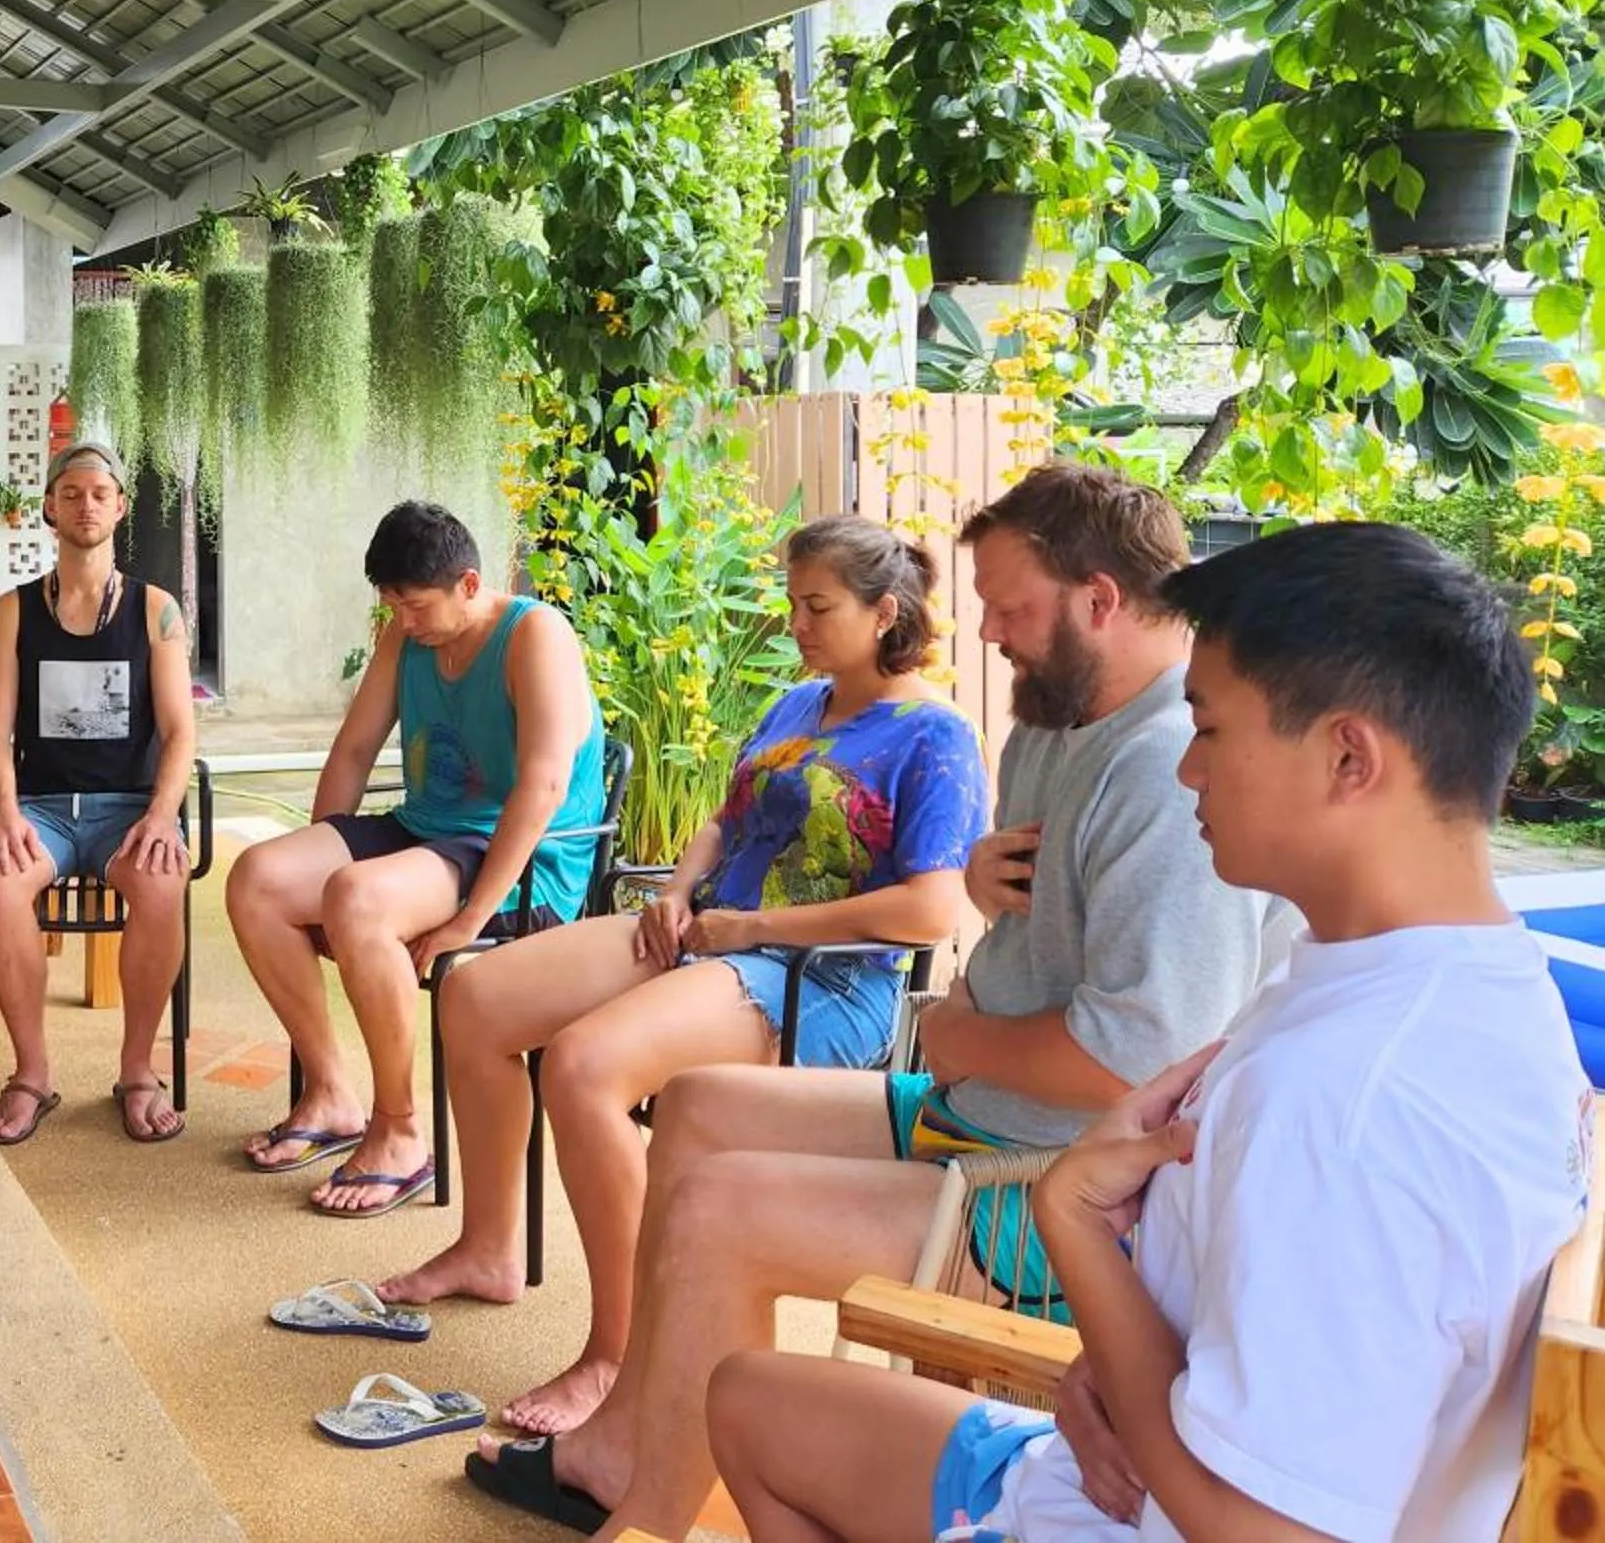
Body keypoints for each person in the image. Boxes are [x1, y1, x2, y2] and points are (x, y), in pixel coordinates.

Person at [711, 521, 1590, 1542]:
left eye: (1209, 730)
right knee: (750, 1401)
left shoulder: (1347, 1101)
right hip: (1126, 1453)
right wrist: (1121, 1364)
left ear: (1349, 756)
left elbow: (1261, 1532)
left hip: (1130, 1515)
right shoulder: (1448, 976)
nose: (1187, 772)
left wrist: (1074, 1227)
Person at [467, 463, 1298, 1538]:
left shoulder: (1160, 773)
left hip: (1066, 1187)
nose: (988, 630)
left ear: (1101, 599)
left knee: (722, 1211)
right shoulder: (1052, 722)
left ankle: (650, 1518)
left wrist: (954, 1033)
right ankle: (631, 1433)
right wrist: (987, 884)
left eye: (1012, 606)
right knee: (700, 1109)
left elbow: (1129, 1065)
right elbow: (1022, 919)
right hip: (983, 1109)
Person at [381, 516, 983, 1432]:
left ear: (884, 612)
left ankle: (622, 1354)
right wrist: (680, 890)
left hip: (815, 980)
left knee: (582, 1067)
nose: (796, 625)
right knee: (476, 994)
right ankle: (490, 1247)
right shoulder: (799, 705)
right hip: (709, 936)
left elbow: (931, 912)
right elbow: (725, 818)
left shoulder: (932, 736)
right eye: (793, 604)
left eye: (817, 607)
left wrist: (753, 925)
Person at [230, 500, 611, 1215]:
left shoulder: (536, 636)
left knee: (356, 899)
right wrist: (323, 852)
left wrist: (473, 916)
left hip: (520, 856)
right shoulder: (402, 638)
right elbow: (353, 748)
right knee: (260, 879)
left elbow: (546, 783)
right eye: (391, 605)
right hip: (423, 829)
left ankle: (401, 1133)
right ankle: (332, 1093)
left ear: (469, 584)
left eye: (415, 605)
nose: (404, 622)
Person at [0, 441, 198, 1145]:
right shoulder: (13, 611)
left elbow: (181, 731)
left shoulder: (156, 611)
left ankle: (137, 1071)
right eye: (71, 493)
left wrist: (162, 815)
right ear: (49, 507)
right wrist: (4, 813)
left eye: (100, 493)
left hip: (129, 810)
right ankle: (32, 1076)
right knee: (1, 881)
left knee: (161, 882)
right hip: (40, 810)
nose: (86, 504)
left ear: (121, 507)